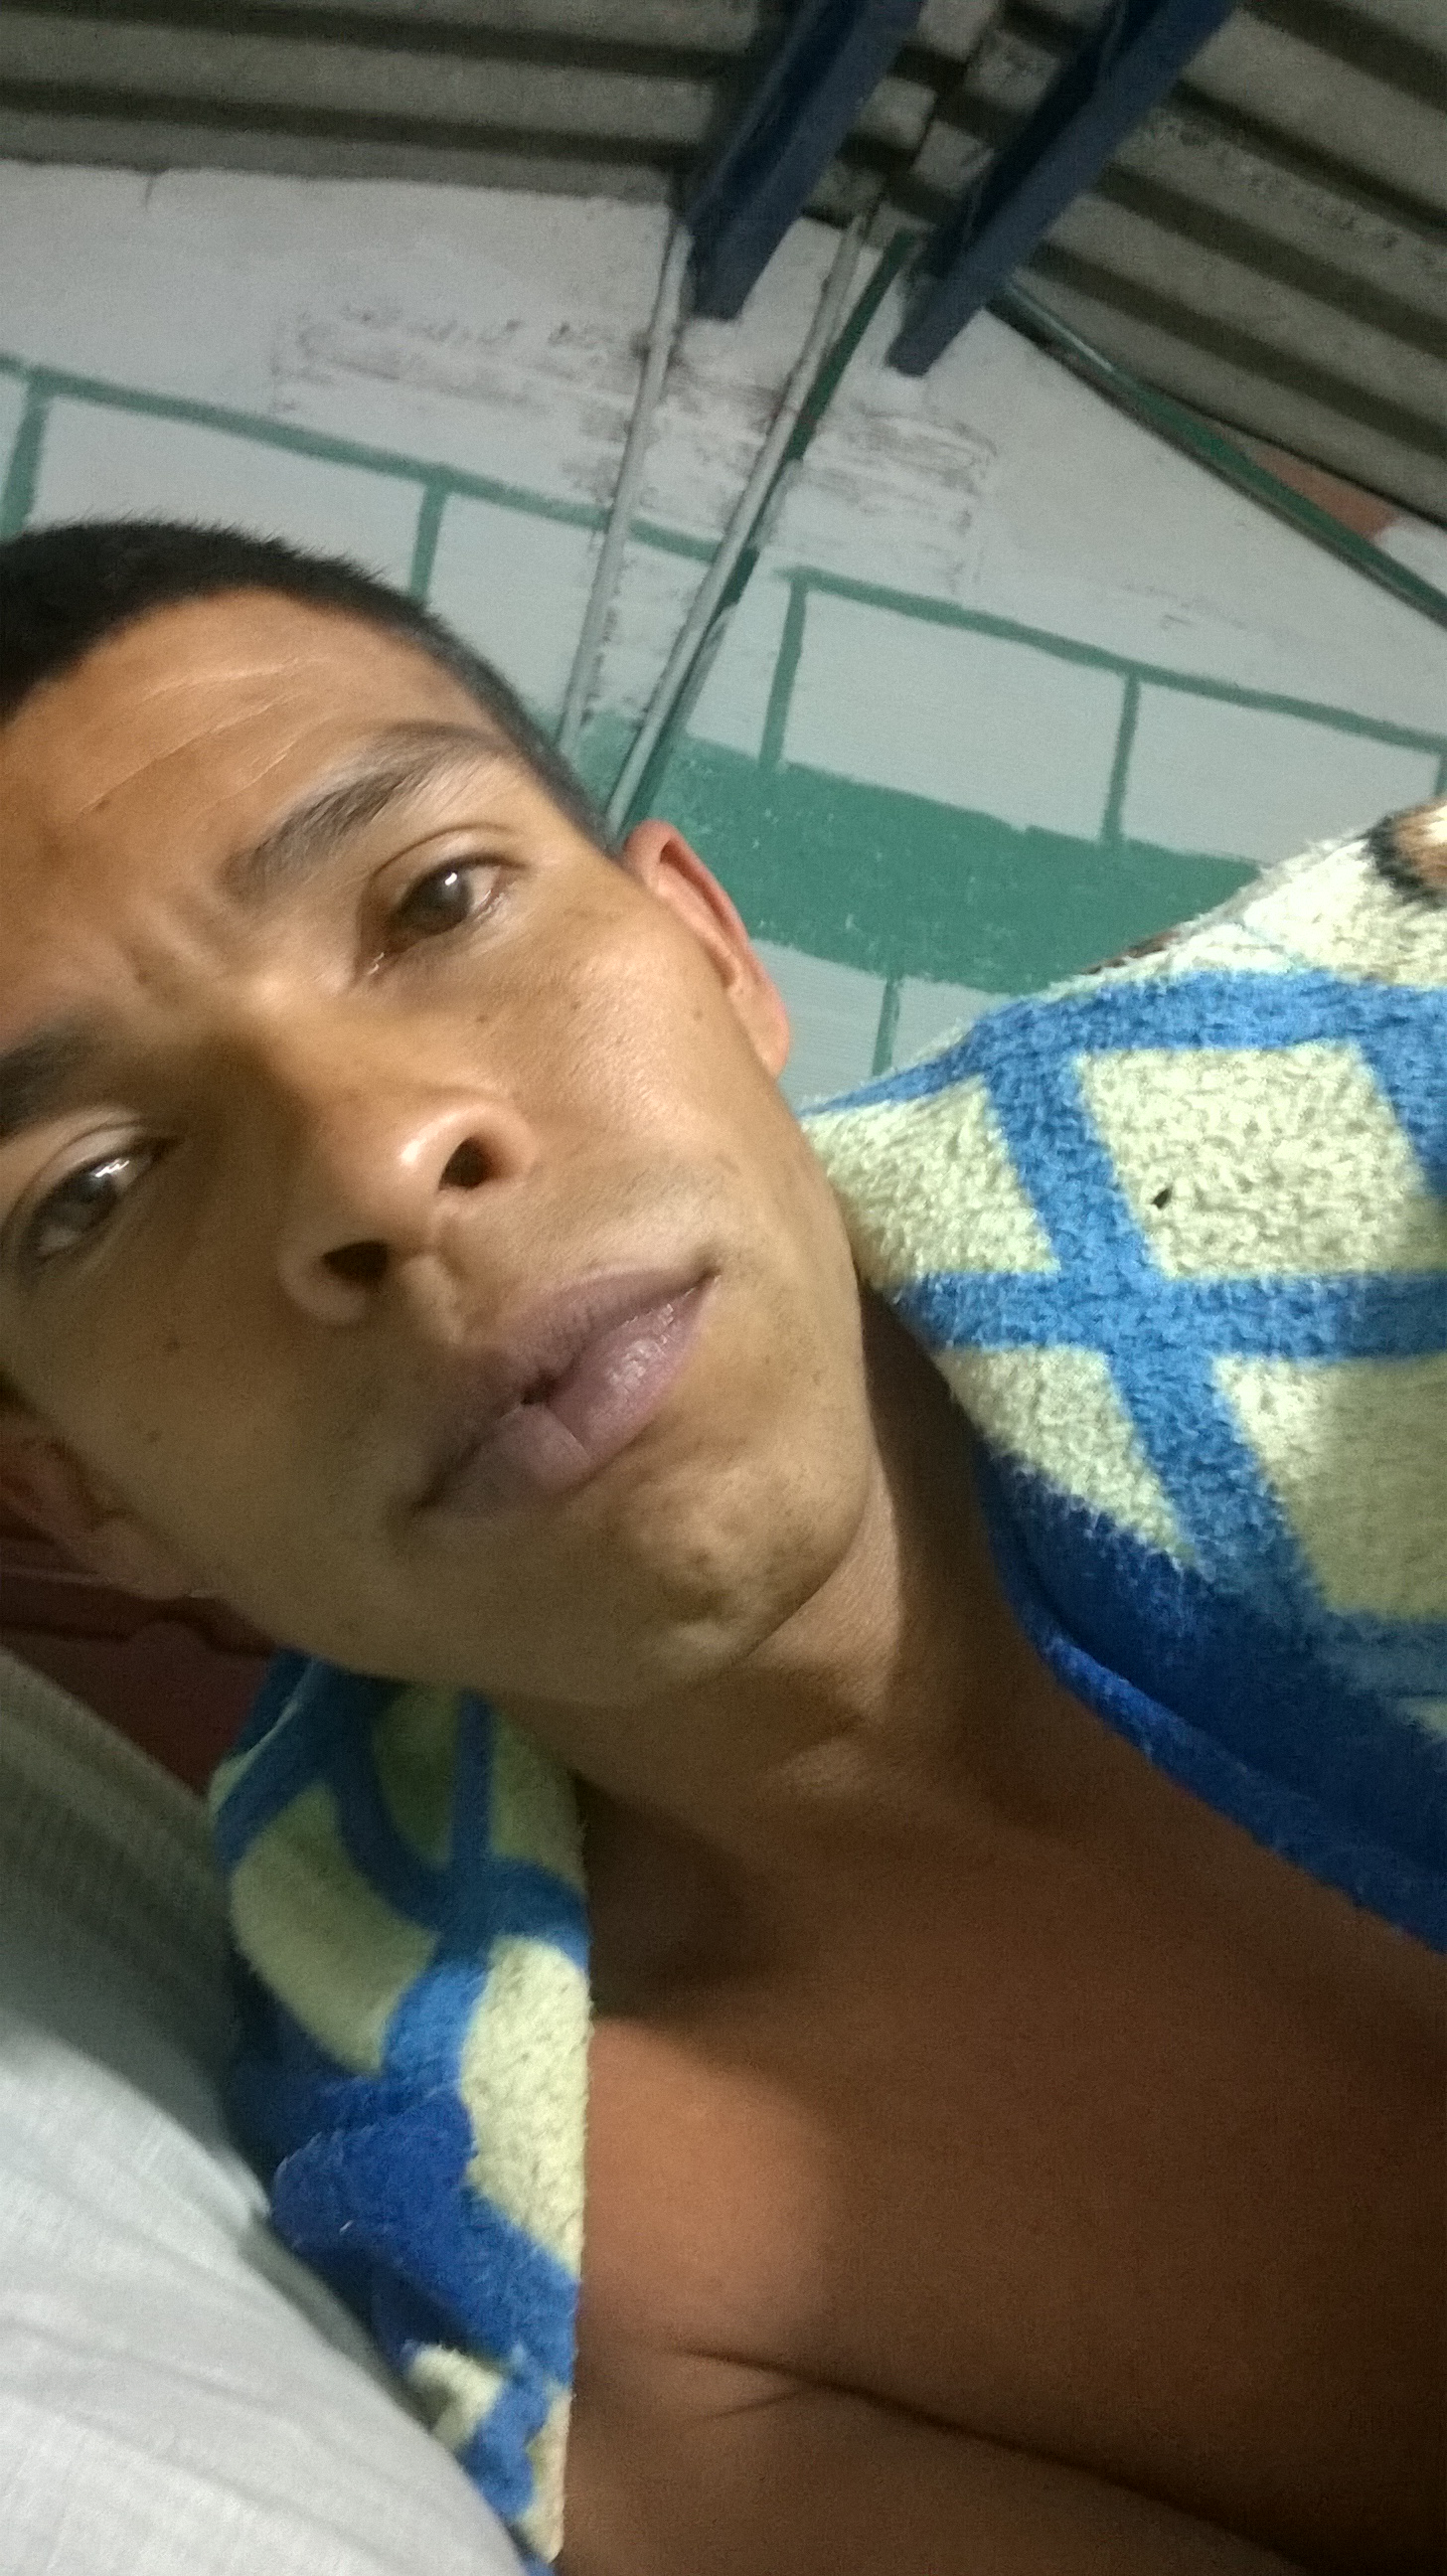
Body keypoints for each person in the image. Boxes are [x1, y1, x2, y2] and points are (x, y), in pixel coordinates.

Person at [0, 522, 1441, 2576]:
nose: (378, 1168)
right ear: (89, 1498)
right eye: (94, 1186)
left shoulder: (1394, 1137)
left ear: (709, 951)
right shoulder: (599, 2282)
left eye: (436, 897)